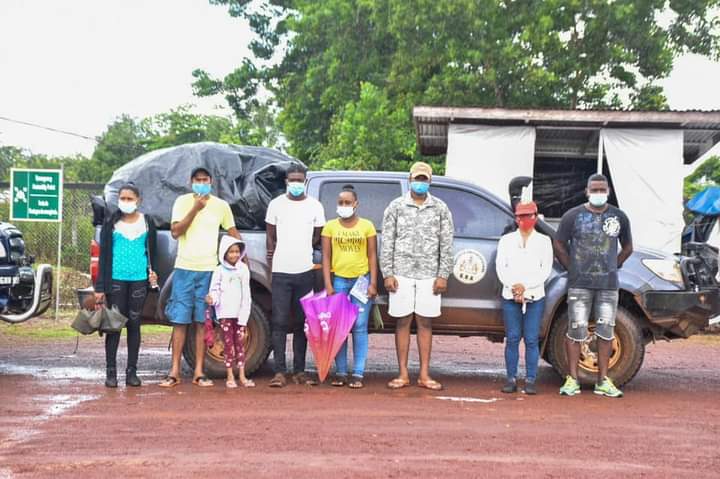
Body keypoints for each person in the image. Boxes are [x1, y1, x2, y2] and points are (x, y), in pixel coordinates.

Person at [159, 167, 242, 388]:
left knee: (201, 322)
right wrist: (195, 209)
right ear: (191, 181)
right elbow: (176, 231)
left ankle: (198, 371)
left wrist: (243, 259)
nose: (202, 183)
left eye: (205, 180)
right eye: (198, 180)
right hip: (184, 269)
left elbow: (232, 231)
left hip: (209, 271)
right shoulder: (182, 202)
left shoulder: (221, 206)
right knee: (180, 320)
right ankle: (174, 371)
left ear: (211, 182)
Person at [554, 173, 633, 398]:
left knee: (606, 331)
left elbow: (628, 247)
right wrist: (573, 268)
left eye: (602, 189)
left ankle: (603, 381)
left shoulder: (619, 217)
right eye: (594, 190)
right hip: (580, 285)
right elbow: (558, 244)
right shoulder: (573, 216)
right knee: (576, 330)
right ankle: (572, 380)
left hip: (608, 285)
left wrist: (613, 265)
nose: (598, 193)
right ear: (587, 191)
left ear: (608, 191)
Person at [381, 162, 454, 391]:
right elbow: (387, 241)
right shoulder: (396, 206)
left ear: (430, 181)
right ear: (409, 179)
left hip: (429, 275)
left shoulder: (440, 208)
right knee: (402, 322)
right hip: (401, 273)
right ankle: (402, 374)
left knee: (425, 322)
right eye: (416, 179)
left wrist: (443, 274)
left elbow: (447, 243)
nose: (420, 183)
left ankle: (424, 374)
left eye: (424, 179)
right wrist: (388, 273)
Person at [265, 164, 326, 388]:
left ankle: (299, 371)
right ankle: (280, 371)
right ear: (286, 182)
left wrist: (301, 249)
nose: (296, 183)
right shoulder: (276, 205)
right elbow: (270, 238)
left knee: (302, 323)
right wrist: (271, 266)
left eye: (300, 180)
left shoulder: (315, 207)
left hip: (305, 272)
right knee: (279, 322)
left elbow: (317, 235)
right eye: (293, 180)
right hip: (281, 272)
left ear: (306, 181)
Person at [95, 183, 158, 388]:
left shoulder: (147, 223)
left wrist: (154, 274)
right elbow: (104, 257)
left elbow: (153, 253)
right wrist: (100, 288)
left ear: (138, 200)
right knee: (114, 325)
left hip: (139, 280)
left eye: (130, 198)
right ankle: (111, 372)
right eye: (123, 198)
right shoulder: (111, 223)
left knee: (134, 323)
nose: (126, 202)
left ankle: (132, 372)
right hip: (115, 281)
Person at [321, 185, 378, 389]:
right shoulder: (330, 227)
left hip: (362, 281)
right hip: (339, 282)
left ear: (356, 204)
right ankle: (341, 372)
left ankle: (358, 373)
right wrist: (328, 284)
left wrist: (373, 283)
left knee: (360, 326)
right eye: (340, 202)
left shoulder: (367, 226)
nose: (343, 206)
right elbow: (326, 256)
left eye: (347, 202)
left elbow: (372, 255)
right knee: (340, 328)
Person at [495, 201, 553, 395]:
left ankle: (530, 379)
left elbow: (545, 271)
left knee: (531, 339)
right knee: (512, 338)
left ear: (536, 217)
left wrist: (525, 289)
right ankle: (511, 378)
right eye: (521, 216)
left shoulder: (544, 241)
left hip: (535, 295)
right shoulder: (506, 240)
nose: (524, 220)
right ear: (516, 218)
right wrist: (515, 288)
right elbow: (501, 267)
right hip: (510, 293)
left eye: (528, 216)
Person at [206, 236, 254, 389]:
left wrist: (244, 315)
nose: (234, 255)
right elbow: (215, 289)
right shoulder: (219, 270)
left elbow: (246, 294)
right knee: (228, 344)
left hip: (240, 314)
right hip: (225, 314)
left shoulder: (243, 269)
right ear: (224, 253)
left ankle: (242, 375)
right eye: (231, 252)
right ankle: (230, 375)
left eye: (236, 252)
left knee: (240, 344)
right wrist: (212, 299)